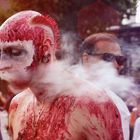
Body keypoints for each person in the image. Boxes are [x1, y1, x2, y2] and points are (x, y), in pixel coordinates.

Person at [0, 11, 124, 140]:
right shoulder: (17, 104)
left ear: (45, 51)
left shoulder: (93, 105)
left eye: (14, 52)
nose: (2, 65)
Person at [80, 33, 131, 140]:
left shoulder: (119, 105)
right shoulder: (63, 94)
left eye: (119, 59)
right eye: (108, 57)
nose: (116, 65)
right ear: (86, 58)